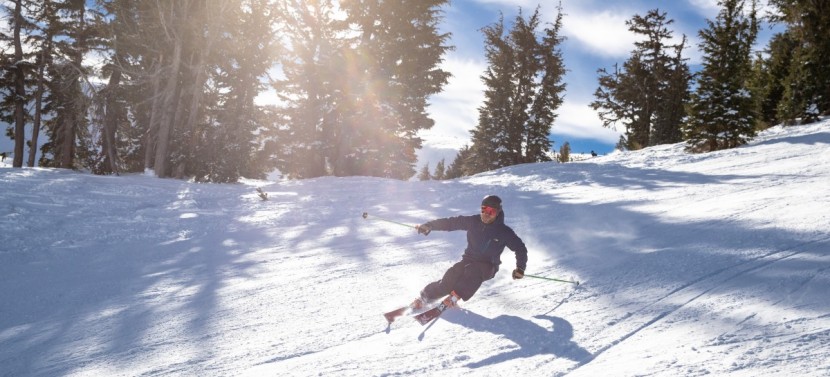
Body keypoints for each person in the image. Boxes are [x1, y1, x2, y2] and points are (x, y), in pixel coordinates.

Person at [412, 195, 528, 309]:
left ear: (497, 213)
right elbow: (451, 223)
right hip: (468, 260)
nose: (486, 214)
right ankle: (424, 298)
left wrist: (520, 268)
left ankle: (455, 297)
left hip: (488, 266)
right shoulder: (474, 221)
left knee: (474, 273)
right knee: (451, 277)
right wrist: (430, 225)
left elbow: (520, 248)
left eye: (491, 212)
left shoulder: (504, 232)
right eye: (484, 210)